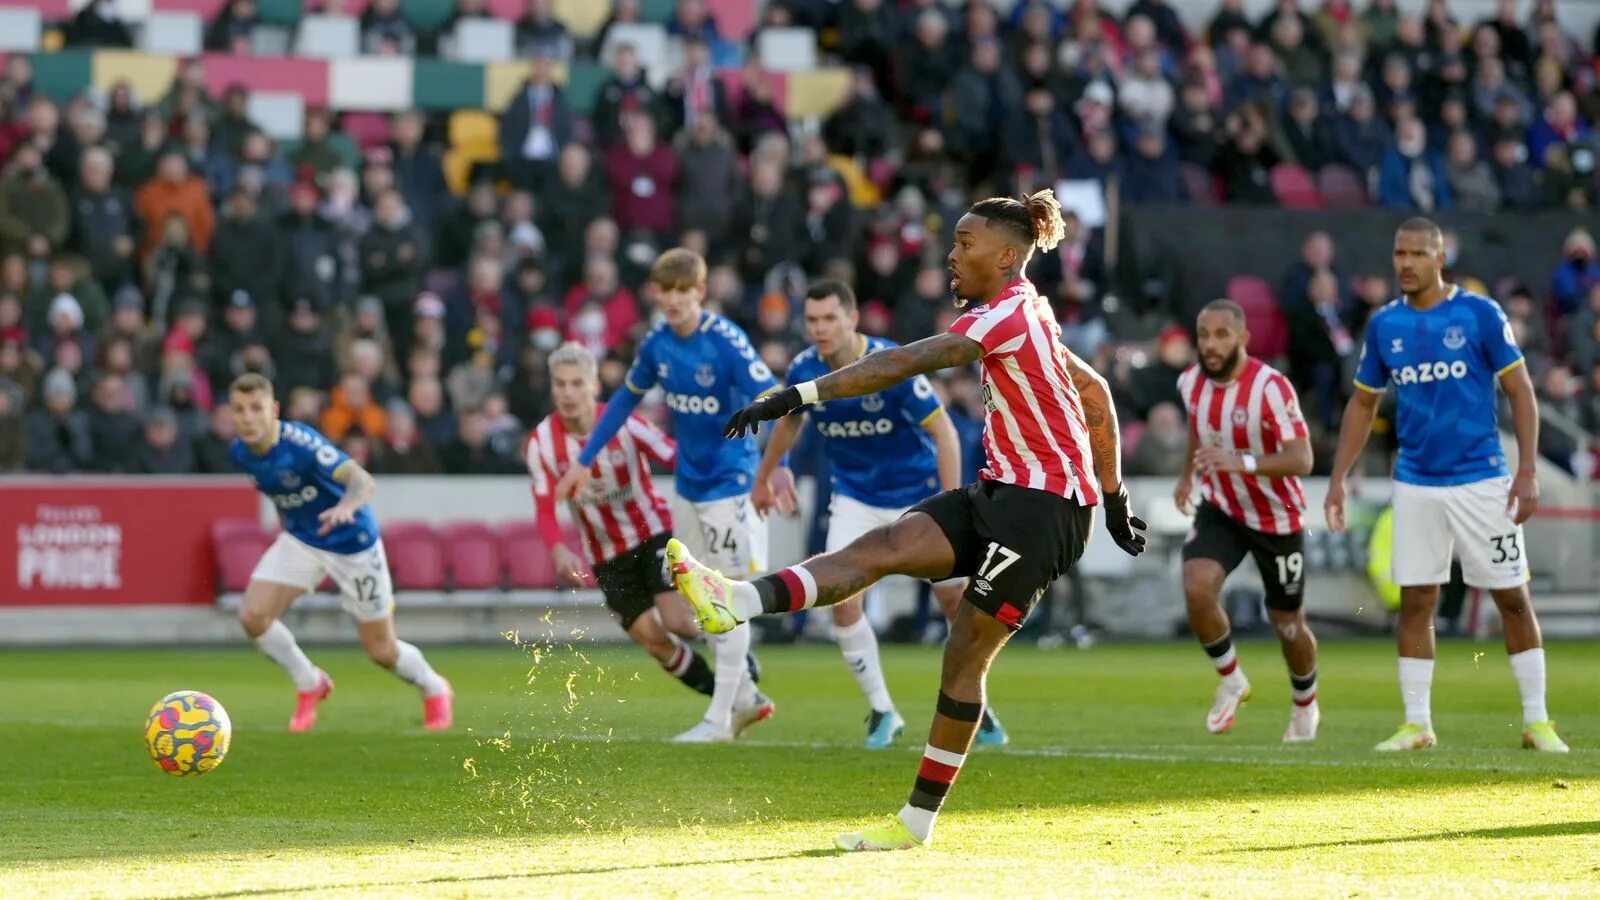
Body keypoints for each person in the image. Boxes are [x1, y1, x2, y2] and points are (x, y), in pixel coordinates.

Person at [668, 190, 1148, 851]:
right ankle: (735, 601)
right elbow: (1092, 391)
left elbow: (902, 361)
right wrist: (1116, 494)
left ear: (1007, 257)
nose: (950, 255)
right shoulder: (1026, 311)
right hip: (1000, 494)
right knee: (887, 545)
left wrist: (797, 395)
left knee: (963, 655)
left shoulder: (1005, 314)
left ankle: (915, 822)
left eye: (964, 244)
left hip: (1044, 513)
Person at [1325, 217, 1566, 754]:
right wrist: (1339, 477)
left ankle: (1537, 720)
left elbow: (1522, 392)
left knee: (1511, 596)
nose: (1405, 263)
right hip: (1415, 481)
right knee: (1416, 599)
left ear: (1439, 258)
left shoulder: (1479, 313)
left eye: (1416, 253)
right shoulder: (1385, 325)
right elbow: (1363, 404)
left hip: (1482, 478)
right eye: (1399, 253)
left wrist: (1526, 469)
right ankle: (1417, 723)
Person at [752, 279, 1008, 750]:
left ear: (852, 319)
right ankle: (883, 711)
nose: (820, 328)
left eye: (830, 318)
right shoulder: (805, 367)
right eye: (812, 320)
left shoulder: (892, 364)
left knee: (957, 604)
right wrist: (770, 472)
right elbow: (790, 420)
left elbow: (946, 433)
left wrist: (952, 505)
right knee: (841, 599)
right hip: (855, 499)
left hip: (918, 499)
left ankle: (978, 705)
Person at [555, 248, 776, 743]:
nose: (673, 300)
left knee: (729, 596)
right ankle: (741, 702)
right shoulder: (658, 345)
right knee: (701, 598)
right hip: (689, 487)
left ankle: (720, 719)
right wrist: (585, 458)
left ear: (700, 292)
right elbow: (623, 401)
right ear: (656, 294)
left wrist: (772, 467)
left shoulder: (725, 343)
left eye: (683, 291)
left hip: (730, 484)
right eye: (666, 291)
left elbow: (773, 398)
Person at [528, 342, 751, 729]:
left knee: (679, 621)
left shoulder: (625, 423)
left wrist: (720, 460)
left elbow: (672, 455)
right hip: (605, 554)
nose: (567, 393)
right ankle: (727, 697)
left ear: (594, 385)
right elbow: (545, 509)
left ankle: (739, 668)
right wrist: (558, 549)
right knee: (654, 640)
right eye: (560, 384)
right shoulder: (542, 443)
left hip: (652, 533)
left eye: (576, 383)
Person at [226, 372, 452, 733]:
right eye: (239, 410)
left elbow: (362, 480)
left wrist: (348, 505)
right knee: (253, 616)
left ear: (275, 410)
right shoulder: (239, 452)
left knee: (381, 651)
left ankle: (434, 687)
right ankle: (309, 683)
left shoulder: (301, 443)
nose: (248, 417)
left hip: (352, 543)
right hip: (303, 539)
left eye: (256, 408)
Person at [1175, 300, 1319, 742]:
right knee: (1197, 587)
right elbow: (1199, 426)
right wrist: (1188, 475)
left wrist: (1241, 462)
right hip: (1223, 507)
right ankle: (1232, 678)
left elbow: (1303, 457)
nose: (1211, 344)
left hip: (1277, 516)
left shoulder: (1271, 388)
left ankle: (1305, 703)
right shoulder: (1189, 382)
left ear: (1243, 339)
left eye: (1221, 335)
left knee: (1288, 624)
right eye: (1204, 334)